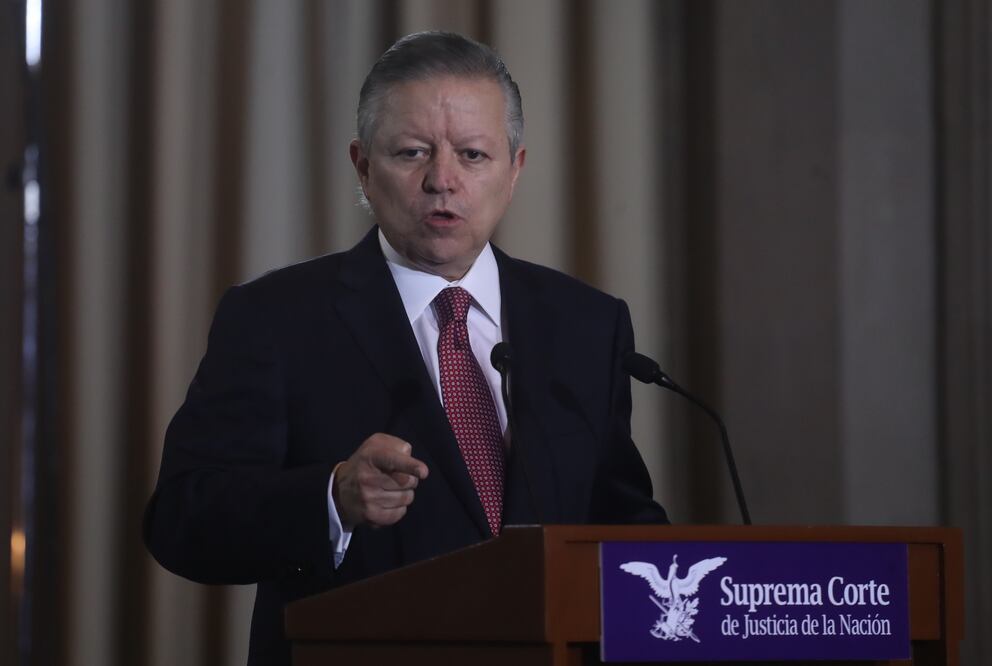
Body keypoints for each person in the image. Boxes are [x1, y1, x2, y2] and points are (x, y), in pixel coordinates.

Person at [144, 31, 667, 666]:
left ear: (516, 168)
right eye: (413, 152)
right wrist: (331, 498)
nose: (442, 180)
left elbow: (621, 523)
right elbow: (181, 521)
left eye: (473, 155)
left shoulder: (587, 324)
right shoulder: (277, 319)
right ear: (362, 166)